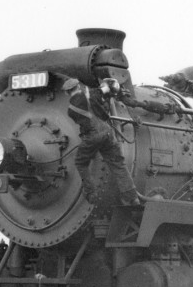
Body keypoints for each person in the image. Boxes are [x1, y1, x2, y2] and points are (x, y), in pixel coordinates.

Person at [63, 77, 173, 205]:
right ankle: (132, 197)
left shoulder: (71, 111)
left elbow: (86, 124)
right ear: (78, 86)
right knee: (118, 164)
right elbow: (112, 87)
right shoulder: (94, 92)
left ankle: (91, 193)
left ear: (67, 92)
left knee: (81, 162)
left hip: (93, 135)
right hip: (108, 132)